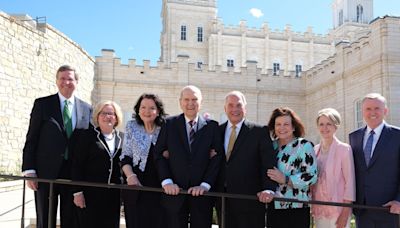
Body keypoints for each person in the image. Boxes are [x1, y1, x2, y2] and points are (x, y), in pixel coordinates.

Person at [21, 65, 92, 228]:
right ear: (56, 81)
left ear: (77, 82)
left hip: (74, 173)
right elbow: (32, 138)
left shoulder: (86, 109)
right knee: (45, 219)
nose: (66, 82)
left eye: (70, 79)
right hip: (46, 172)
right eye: (62, 78)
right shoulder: (42, 104)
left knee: (71, 219)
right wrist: (29, 169)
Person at [154, 85, 223, 228]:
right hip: (174, 194)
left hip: (202, 196)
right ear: (180, 102)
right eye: (186, 99)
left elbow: (217, 158)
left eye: (194, 99)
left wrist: (205, 185)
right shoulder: (169, 124)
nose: (190, 103)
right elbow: (159, 154)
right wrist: (167, 182)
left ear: (201, 102)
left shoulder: (212, 127)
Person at [215, 91, 276, 228]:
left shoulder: (259, 132)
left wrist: (269, 189)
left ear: (245, 108)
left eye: (238, 105)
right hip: (223, 200)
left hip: (250, 201)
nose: (234, 109)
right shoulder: (217, 131)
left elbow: (267, 162)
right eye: (230, 105)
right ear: (225, 109)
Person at [349, 93, 400, 228]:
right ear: (362, 112)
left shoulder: (397, 136)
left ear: (385, 111)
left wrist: (399, 201)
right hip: (362, 209)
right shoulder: (354, 137)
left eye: (377, 108)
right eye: (368, 109)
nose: (372, 112)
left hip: (389, 209)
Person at [71, 100, 124, 228]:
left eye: (111, 114)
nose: (107, 116)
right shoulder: (87, 136)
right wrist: (77, 192)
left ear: (116, 118)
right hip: (91, 193)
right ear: (97, 116)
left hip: (114, 195)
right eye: (104, 113)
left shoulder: (123, 138)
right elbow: (77, 164)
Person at [120, 93, 167, 228]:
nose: (147, 111)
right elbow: (125, 156)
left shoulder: (166, 128)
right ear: (138, 110)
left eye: (151, 108)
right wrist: (130, 176)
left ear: (158, 111)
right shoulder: (131, 126)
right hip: (136, 186)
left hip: (160, 190)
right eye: (143, 107)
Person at [266, 107, 318, 228]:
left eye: (286, 124)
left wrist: (286, 179)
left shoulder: (304, 145)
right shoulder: (270, 146)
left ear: (293, 127)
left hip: (296, 207)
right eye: (278, 124)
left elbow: (311, 176)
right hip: (273, 205)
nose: (282, 128)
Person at [311, 108, 355, 228]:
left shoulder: (344, 149)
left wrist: (345, 214)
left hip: (338, 210)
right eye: (321, 124)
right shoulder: (314, 150)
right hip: (319, 208)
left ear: (336, 126)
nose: (324, 128)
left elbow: (350, 183)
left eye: (329, 124)